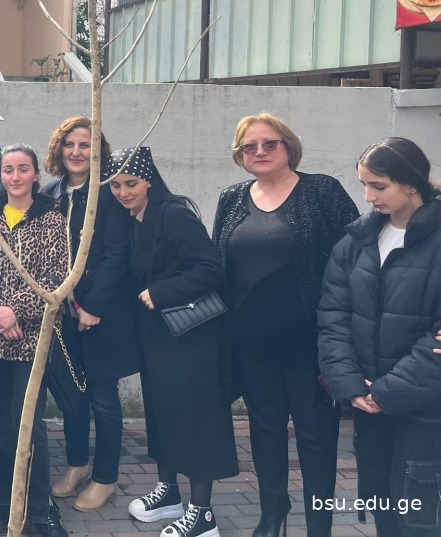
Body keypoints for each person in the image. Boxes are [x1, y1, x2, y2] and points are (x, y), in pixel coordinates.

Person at [212, 114, 358, 537]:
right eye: (249, 146)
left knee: (316, 437)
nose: (259, 152)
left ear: (288, 146)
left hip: (309, 347)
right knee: (265, 431)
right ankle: (272, 513)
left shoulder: (322, 191)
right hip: (251, 346)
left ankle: (318, 525)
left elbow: (354, 260)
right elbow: (219, 269)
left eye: (269, 143)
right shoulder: (232, 198)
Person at [108, 146, 238, 537]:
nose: (123, 192)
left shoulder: (173, 214)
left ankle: (203, 515)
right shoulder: (133, 218)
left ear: (149, 180)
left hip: (191, 338)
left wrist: (161, 292)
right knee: (163, 415)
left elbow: (210, 268)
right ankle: (169, 493)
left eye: (131, 183)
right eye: (116, 185)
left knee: (196, 420)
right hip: (159, 339)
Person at [318, 138, 441, 537]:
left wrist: (386, 391)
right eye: (364, 185)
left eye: (379, 186)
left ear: (411, 182)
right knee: (382, 506)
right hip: (370, 406)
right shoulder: (356, 241)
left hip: (426, 411)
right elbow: (332, 317)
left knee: (419, 517)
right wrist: (351, 385)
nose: (368, 197)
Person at [0, 144, 68, 537]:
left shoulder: (51, 218)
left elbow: (57, 275)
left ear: (35, 175)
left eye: (23, 168)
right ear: (1, 175)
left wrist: (16, 311)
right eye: (8, 169)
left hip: (31, 340)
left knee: (29, 424)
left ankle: (39, 508)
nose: (15, 176)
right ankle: (7, 501)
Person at [41, 117, 140, 512]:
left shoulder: (108, 193)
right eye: (70, 144)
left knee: (102, 397)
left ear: (98, 152)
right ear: (59, 149)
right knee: (72, 396)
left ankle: (106, 477)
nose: (76, 152)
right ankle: (77, 464)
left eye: (86, 145)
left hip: (102, 313)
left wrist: (94, 307)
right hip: (60, 315)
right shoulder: (50, 193)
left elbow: (117, 254)